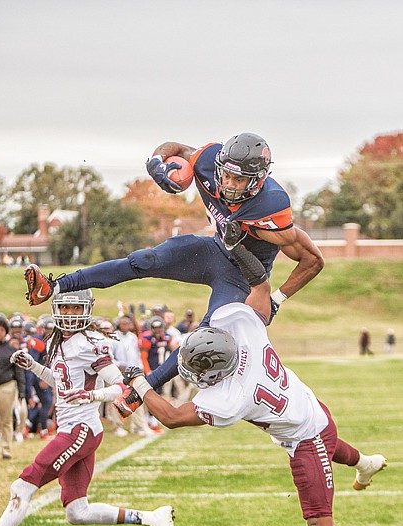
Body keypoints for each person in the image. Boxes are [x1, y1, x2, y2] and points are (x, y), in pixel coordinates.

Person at [114, 301, 386, 526]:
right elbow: (260, 287)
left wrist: (139, 382)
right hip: (308, 405)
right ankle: (364, 463)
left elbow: (171, 417)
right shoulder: (245, 331)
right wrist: (240, 251)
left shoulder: (229, 398)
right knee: (329, 443)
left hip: (305, 434)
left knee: (319, 520)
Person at [23, 132, 324, 395]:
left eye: (238, 179)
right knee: (144, 259)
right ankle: (54, 286)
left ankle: (142, 389)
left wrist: (277, 298)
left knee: (207, 337)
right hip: (212, 250)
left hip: (242, 276)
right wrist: (156, 161)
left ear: (258, 180)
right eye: (226, 175)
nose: (229, 184)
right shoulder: (209, 160)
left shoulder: (272, 208)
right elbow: (177, 148)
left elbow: (313, 260)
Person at [0, 289, 175, 526]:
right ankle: (153, 518)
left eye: (76, 309)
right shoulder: (59, 341)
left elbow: (118, 386)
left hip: (80, 428)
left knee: (23, 486)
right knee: (77, 512)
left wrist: (92, 395)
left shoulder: (91, 343)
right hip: (76, 429)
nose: (69, 315)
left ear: (87, 311)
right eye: (65, 309)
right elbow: (63, 383)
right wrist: (34, 368)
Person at [0, 316, 26, 459]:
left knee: (6, 419)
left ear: (6, 332)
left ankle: (6, 449)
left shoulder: (11, 350)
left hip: (7, 385)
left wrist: (22, 391)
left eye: (1, 330)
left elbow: (19, 372)